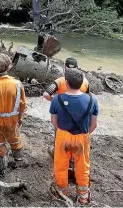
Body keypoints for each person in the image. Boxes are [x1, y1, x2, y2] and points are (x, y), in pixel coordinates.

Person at [49, 68, 98, 205]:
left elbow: (54, 122)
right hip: (82, 137)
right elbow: (93, 125)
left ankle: (61, 193)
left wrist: (64, 132)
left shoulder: (57, 99)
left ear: (66, 83)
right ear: (82, 83)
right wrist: (83, 134)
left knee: (60, 165)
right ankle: (83, 197)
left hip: (63, 136)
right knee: (83, 167)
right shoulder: (92, 100)